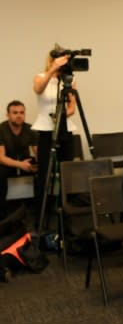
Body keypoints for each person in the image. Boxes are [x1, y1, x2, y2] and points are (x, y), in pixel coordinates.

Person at [31, 47, 77, 220]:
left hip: (64, 127)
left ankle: (67, 216)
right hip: (45, 129)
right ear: (51, 60)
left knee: (67, 171)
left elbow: (72, 105)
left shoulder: (69, 79)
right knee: (44, 173)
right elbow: (38, 89)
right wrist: (52, 70)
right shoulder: (41, 77)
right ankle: (41, 217)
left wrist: (65, 113)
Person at [0, 101, 38, 219]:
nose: (19, 115)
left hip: (23, 162)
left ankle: (34, 213)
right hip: (7, 164)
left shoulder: (30, 129)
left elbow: (37, 151)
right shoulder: (1, 129)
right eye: (15, 112)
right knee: (1, 172)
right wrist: (19, 165)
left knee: (41, 173)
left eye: (21, 112)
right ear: (8, 115)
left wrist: (37, 165)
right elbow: (1, 157)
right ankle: (3, 216)